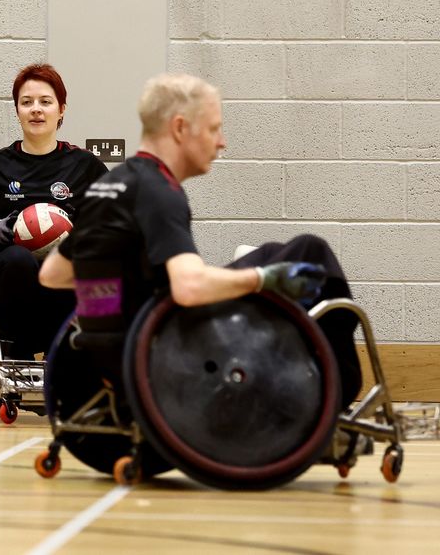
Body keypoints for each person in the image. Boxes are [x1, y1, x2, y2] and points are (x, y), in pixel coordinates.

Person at [39, 73, 361, 405]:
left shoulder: (108, 186)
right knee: (310, 251)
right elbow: (188, 287)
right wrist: (264, 279)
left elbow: (52, 274)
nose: (221, 141)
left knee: (272, 252)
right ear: (179, 128)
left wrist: (124, 288)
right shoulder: (158, 193)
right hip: (170, 348)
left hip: (114, 349)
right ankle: (337, 388)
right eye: (213, 129)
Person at [0, 64, 108, 360]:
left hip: (65, 273)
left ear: (61, 110)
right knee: (19, 259)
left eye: (45, 102)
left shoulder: (85, 165)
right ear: (17, 110)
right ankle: (18, 353)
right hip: (10, 271)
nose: (36, 109)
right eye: (27, 102)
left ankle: (62, 353)